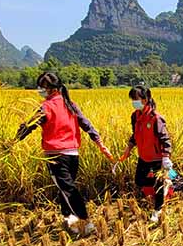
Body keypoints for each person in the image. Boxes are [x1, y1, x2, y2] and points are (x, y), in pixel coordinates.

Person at [16, 72, 113, 237]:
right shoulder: (70, 104)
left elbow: (30, 125)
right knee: (66, 188)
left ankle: (85, 221)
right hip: (73, 155)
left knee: (68, 190)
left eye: (42, 87)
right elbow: (86, 125)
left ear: (51, 89)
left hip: (55, 156)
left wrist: (14, 139)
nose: (39, 90)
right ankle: (70, 219)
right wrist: (100, 144)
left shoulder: (46, 107)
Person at [117, 86, 173, 223]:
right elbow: (135, 135)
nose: (134, 102)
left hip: (156, 157)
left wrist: (166, 157)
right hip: (143, 156)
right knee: (139, 181)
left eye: (136, 99)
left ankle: (157, 210)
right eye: (133, 99)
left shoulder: (156, 118)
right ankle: (166, 183)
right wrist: (128, 149)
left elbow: (165, 139)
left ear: (145, 99)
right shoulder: (135, 116)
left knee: (157, 185)